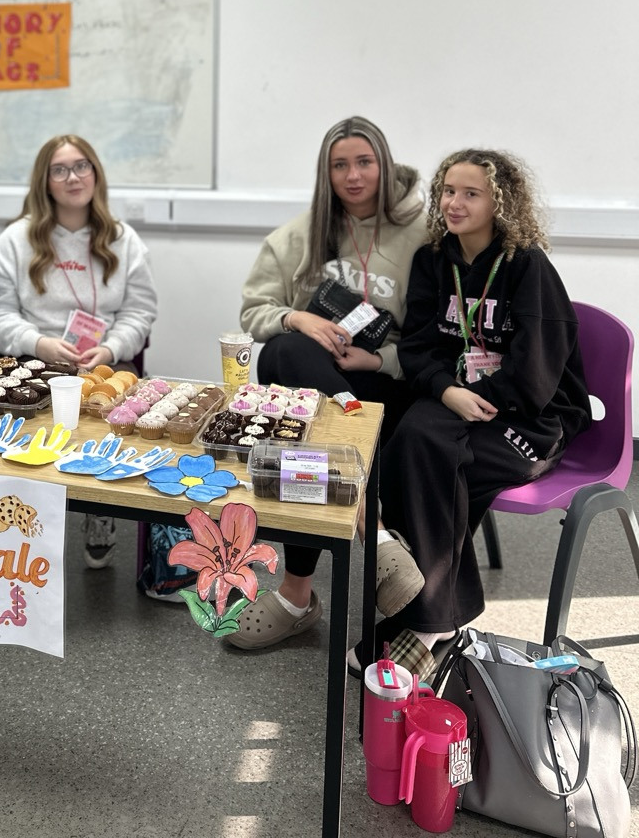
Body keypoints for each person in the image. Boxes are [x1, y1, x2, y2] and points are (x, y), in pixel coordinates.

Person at [371, 148, 590, 676]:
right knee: (407, 439)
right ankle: (434, 614)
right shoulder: (433, 260)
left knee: (429, 455)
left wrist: (476, 397)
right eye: (448, 191)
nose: (454, 202)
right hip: (459, 403)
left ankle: (431, 620)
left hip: (529, 415)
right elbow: (420, 348)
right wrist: (448, 391)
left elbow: (537, 368)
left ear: (500, 202)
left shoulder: (527, 267)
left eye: (471, 193)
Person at [230, 116, 428, 649]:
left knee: (311, 430)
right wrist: (300, 319)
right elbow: (255, 310)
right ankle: (377, 532)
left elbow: (434, 338)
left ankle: (297, 596)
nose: (353, 175)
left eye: (364, 162)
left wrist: (378, 359)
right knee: (284, 351)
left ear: (384, 165)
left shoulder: (424, 234)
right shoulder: (301, 235)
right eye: (340, 165)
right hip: (325, 392)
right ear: (326, 172)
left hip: (386, 386)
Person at [0, 134, 158, 568]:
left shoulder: (123, 240)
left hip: (103, 360)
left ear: (96, 174)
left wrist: (110, 348)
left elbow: (140, 313)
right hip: (34, 362)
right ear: (44, 181)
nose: (73, 177)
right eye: (60, 169)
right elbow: (1, 315)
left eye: (82, 166)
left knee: (104, 416)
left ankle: (99, 513)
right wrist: (40, 344)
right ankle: (24, 522)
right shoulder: (15, 240)